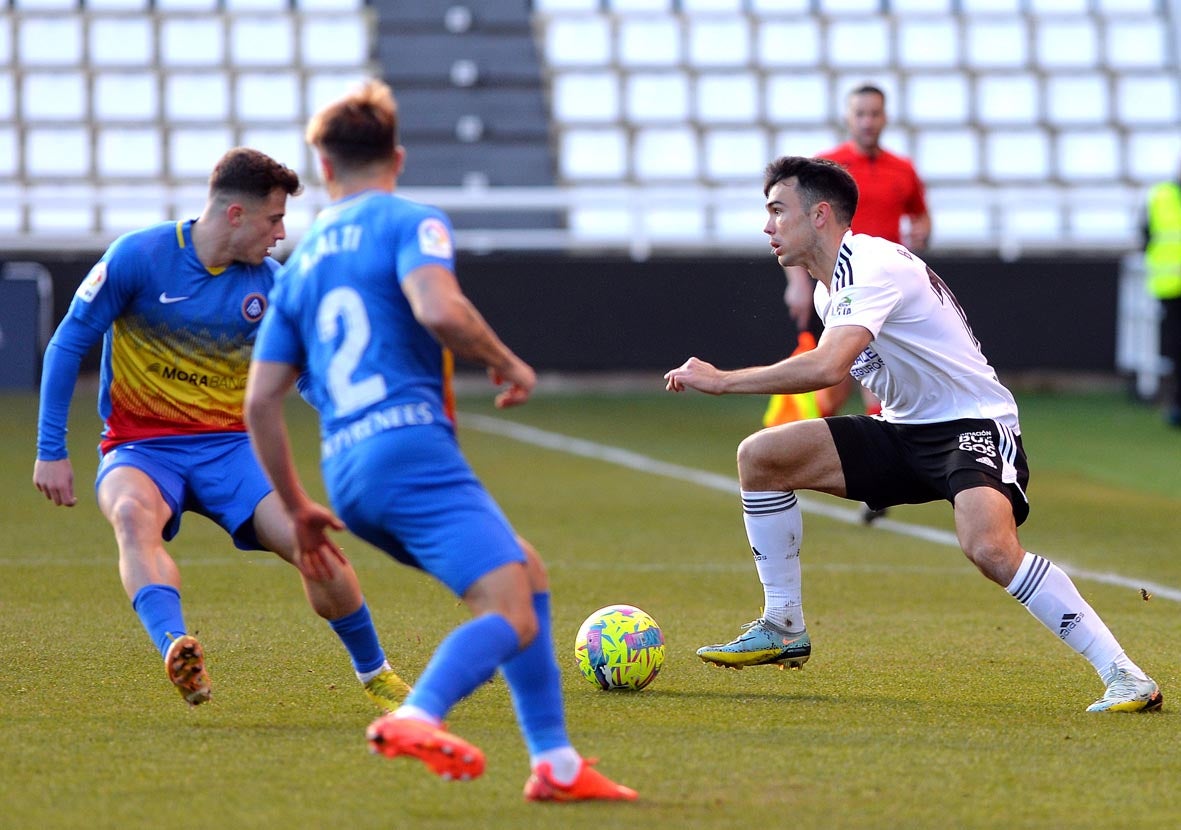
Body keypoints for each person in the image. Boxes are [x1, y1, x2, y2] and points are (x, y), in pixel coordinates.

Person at [243, 79, 635, 800]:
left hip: (349, 475)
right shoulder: (410, 220)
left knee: (526, 571)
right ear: (396, 156)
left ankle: (557, 765)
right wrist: (506, 361)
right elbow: (438, 307)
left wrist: (297, 505)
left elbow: (260, 400)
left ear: (323, 168)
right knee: (508, 612)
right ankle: (418, 714)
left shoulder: (298, 265)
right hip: (412, 450)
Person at [664, 155, 1162, 714]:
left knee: (991, 550)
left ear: (820, 214)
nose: (768, 226)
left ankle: (1125, 674)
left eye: (778, 210)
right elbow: (851, 372)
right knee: (761, 457)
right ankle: (783, 623)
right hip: (902, 430)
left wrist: (722, 381)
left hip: (971, 423)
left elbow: (829, 366)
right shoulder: (831, 291)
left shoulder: (868, 265)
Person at [32, 147, 408, 711]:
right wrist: (50, 450)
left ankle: (376, 674)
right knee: (133, 518)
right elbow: (68, 342)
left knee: (316, 550)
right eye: (274, 219)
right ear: (236, 215)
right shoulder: (139, 257)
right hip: (140, 449)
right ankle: (175, 645)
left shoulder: (273, 285)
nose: (281, 234)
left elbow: (305, 374)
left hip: (233, 451)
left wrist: (350, 419)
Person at [773, 83, 932, 522]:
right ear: (849, 117)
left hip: (884, 293)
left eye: (875, 113)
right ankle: (790, 445)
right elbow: (792, 223)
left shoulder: (903, 170)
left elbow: (920, 214)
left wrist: (921, 232)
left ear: (885, 118)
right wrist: (797, 282)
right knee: (838, 381)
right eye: (860, 113)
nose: (868, 121)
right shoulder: (827, 168)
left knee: (870, 375)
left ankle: (872, 481)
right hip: (840, 287)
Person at [1142, 166, 1181, 427]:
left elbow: (1144, 237)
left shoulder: (1160, 196)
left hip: (1168, 284)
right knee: (1176, 350)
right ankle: (1177, 404)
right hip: (1170, 287)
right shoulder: (1160, 196)